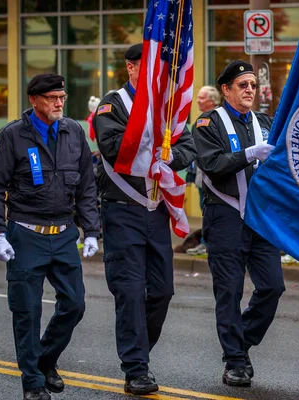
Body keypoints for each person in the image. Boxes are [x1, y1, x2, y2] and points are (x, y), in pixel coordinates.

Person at [0, 73, 100, 400]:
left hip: (64, 233)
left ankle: (45, 359)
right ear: (34, 100)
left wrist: (91, 229)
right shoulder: (13, 136)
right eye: (52, 98)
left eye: (62, 97)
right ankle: (33, 382)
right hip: (25, 234)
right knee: (27, 311)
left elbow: (86, 186)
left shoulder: (73, 132)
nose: (59, 103)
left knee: (75, 304)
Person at [93, 44, 196, 396]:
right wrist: (151, 153)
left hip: (155, 210)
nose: (157, 76)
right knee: (131, 291)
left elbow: (188, 145)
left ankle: (139, 352)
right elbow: (112, 146)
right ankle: (135, 367)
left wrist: (167, 158)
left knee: (162, 290)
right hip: (123, 208)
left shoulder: (167, 108)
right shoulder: (113, 104)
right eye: (148, 68)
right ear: (131, 68)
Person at [193, 60, 285, 387]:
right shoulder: (208, 123)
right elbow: (212, 163)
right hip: (225, 217)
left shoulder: (264, 121)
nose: (249, 90)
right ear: (226, 90)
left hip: (260, 220)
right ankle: (235, 362)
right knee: (229, 292)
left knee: (273, 286)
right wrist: (249, 154)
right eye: (242, 85)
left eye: (252, 85)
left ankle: (241, 343)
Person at [186, 85, 221, 256]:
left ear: (211, 100)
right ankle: (205, 242)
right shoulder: (201, 119)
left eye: (201, 97)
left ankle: (209, 243)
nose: (198, 101)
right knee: (204, 211)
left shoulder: (216, 119)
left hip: (211, 177)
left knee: (209, 211)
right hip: (201, 176)